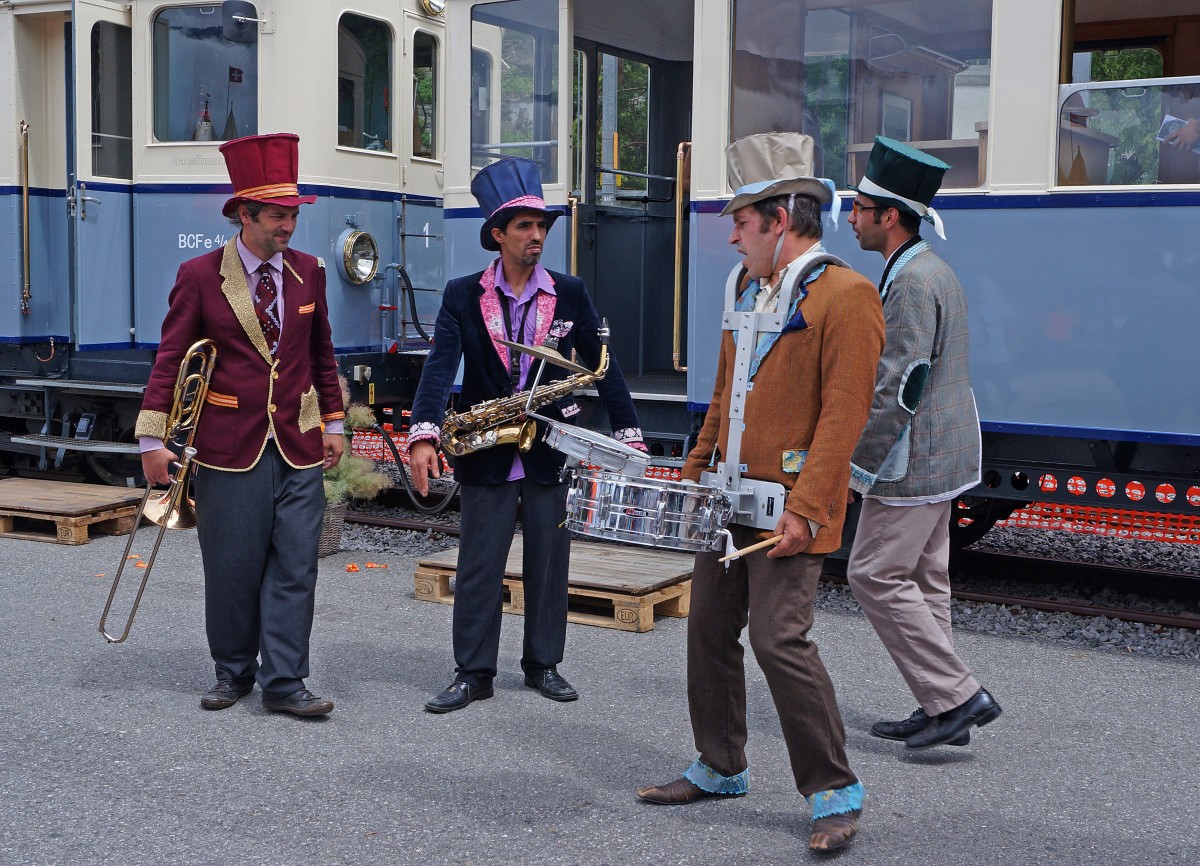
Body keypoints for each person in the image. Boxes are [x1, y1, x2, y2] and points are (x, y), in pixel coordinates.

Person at [636, 132, 885, 853]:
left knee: (781, 640)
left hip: (788, 508)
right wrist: (694, 470)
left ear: (781, 219)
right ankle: (721, 764)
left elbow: (845, 416)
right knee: (708, 629)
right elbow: (723, 392)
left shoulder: (848, 294)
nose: (732, 230)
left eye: (743, 218)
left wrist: (810, 508)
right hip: (727, 499)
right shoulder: (747, 287)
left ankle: (835, 788)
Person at [408, 157, 646, 714]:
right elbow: (440, 368)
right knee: (479, 564)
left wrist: (629, 433)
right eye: (525, 226)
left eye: (543, 225)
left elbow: (602, 367)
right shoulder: (462, 294)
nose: (538, 235)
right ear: (498, 234)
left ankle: (543, 664)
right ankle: (473, 672)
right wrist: (423, 432)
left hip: (550, 448)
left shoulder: (570, 291)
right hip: (485, 446)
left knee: (549, 560)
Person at [136, 133, 345, 717]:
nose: (289, 226)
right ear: (245, 213)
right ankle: (232, 672)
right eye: (278, 215)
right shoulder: (201, 274)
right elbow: (171, 359)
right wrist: (154, 439)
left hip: (300, 444)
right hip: (227, 445)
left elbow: (323, 355)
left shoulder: (310, 273)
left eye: (293, 214)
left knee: (296, 565)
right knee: (231, 565)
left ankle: (285, 683)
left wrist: (335, 421)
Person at [845, 136, 1002, 750]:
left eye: (860, 208)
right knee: (925, 578)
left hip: (916, 458)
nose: (851, 217)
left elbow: (900, 386)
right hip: (951, 452)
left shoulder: (909, 283)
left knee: (874, 574)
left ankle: (959, 696)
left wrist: (859, 466)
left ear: (889, 215)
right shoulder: (931, 269)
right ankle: (942, 708)